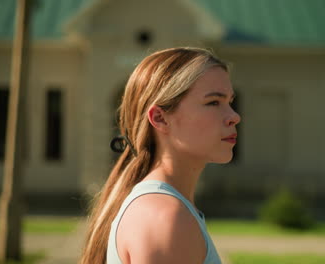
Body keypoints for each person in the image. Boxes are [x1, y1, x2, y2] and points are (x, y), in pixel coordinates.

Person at [80, 47, 241, 264]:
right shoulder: (165, 217)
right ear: (160, 118)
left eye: (230, 101)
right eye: (213, 102)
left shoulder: (166, 210)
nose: (234, 116)